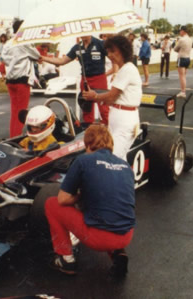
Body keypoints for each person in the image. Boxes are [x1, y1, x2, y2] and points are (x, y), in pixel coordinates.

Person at [45, 124, 135, 277]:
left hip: (99, 238)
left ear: (87, 145)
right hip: (126, 235)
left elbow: (63, 199)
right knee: (108, 207)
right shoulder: (126, 166)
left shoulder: (83, 161)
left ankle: (66, 259)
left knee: (52, 204)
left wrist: (79, 196)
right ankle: (118, 253)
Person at [82, 35, 141, 160]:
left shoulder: (128, 69)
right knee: (119, 157)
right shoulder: (123, 70)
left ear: (123, 50)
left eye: (113, 51)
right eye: (108, 51)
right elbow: (110, 99)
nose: (109, 55)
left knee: (111, 158)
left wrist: (95, 96)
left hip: (125, 120)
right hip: (118, 118)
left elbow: (112, 95)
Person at [42, 35, 110, 124]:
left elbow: (114, 57)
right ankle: (88, 130)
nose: (83, 34)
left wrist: (116, 71)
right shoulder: (77, 47)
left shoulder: (100, 44)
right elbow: (62, 61)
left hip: (99, 78)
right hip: (85, 80)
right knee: (86, 109)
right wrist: (43, 58)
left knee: (104, 108)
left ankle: (109, 130)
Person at [1, 20, 41, 137]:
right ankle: (16, 137)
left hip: (10, 80)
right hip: (22, 80)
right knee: (21, 112)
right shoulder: (24, 42)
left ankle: (12, 135)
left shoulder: (7, 43)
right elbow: (37, 56)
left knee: (14, 111)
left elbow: (3, 58)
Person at [174, 26, 192, 98]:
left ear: (183, 31)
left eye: (180, 31)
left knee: (182, 76)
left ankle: (183, 92)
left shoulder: (182, 39)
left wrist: (179, 50)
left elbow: (175, 49)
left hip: (181, 58)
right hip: (188, 57)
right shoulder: (190, 39)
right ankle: (183, 90)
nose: (179, 32)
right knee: (184, 76)